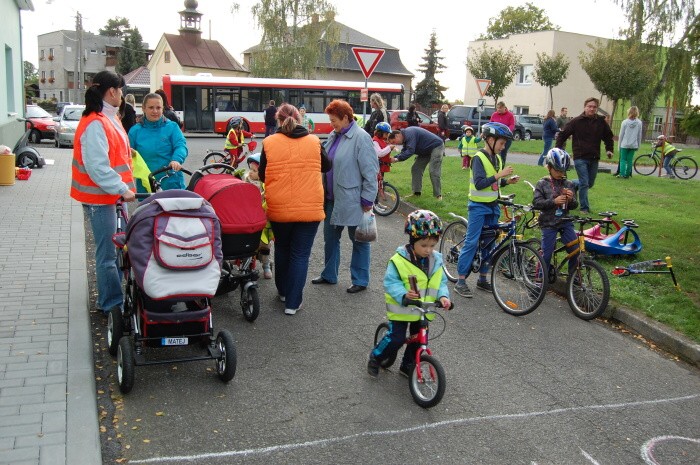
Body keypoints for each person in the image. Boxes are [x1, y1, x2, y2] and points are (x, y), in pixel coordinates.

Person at [70, 70, 136, 316]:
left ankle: (112, 301)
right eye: (120, 90)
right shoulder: (97, 122)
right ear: (112, 91)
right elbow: (97, 166)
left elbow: (113, 156)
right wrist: (122, 189)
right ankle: (111, 306)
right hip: (102, 198)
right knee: (108, 255)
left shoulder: (108, 117)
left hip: (113, 196)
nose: (122, 94)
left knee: (117, 250)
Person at [259, 103, 331, 315]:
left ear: (278, 120)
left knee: (282, 248)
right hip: (310, 207)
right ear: (300, 119)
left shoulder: (269, 142)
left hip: (280, 207)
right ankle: (293, 302)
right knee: (300, 254)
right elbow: (327, 166)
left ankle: (282, 291)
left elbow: (263, 174)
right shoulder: (314, 141)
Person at [367, 210, 452, 377]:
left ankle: (408, 365)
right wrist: (404, 295)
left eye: (432, 245)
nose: (428, 250)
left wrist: (443, 297)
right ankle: (376, 357)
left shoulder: (436, 261)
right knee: (396, 338)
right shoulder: (399, 261)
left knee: (420, 340)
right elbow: (390, 282)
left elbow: (440, 282)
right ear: (413, 241)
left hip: (423, 310)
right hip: (402, 309)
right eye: (424, 245)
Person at [311, 99, 379, 294]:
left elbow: (370, 171)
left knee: (359, 240)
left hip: (353, 200)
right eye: (331, 120)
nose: (332, 124)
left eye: (334, 120)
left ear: (346, 118)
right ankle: (329, 274)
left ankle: (360, 279)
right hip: (333, 198)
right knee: (330, 238)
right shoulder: (335, 135)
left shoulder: (361, 137)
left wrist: (367, 199)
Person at [453, 122, 520, 298]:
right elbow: (481, 183)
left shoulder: (497, 159)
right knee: (472, 242)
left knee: (489, 243)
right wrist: (499, 175)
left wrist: (506, 181)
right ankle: (460, 281)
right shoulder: (478, 158)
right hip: (478, 207)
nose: (503, 146)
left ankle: (482, 278)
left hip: (493, 205)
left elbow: (493, 184)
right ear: (490, 139)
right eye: (501, 143)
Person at [555, 97, 614, 214]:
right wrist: (558, 150)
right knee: (585, 182)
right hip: (580, 157)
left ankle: (571, 184)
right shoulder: (576, 121)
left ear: (597, 109)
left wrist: (609, 150)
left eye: (594, 107)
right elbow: (563, 135)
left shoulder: (601, 122)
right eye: (589, 106)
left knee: (589, 183)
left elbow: (608, 136)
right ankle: (584, 208)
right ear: (585, 107)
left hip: (594, 157)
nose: (591, 109)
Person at [532, 148, 579, 279]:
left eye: (563, 171)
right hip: (548, 223)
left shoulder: (569, 184)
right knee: (546, 254)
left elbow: (575, 205)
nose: (560, 173)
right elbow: (537, 203)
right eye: (557, 170)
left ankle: (573, 280)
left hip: (565, 222)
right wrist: (554, 201)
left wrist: (571, 199)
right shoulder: (542, 183)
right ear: (549, 167)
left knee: (575, 250)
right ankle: (539, 282)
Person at [128, 92, 188, 192]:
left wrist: (177, 160)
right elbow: (128, 154)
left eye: (158, 108)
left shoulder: (172, 127)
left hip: (172, 182)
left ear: (162, 108)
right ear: (143, 108)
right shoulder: (135, 131)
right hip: (147, 185)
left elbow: (181, 145)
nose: (155, 111)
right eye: (151, 107)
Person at [388, 126, 445, 200]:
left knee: (433, 170)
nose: (395, 144)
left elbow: (410, 150)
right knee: (416, 168)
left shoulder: (409, 133)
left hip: (436, 146)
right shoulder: (405, 137)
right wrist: (395, 157)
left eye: (394, 141)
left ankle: (438, 195)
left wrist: (396, 159)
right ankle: (416, 193)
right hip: (425, 150)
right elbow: (404, 151)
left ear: (397, 135)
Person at [244, 154, 273, 279]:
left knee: (264, 246)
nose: (251, 173)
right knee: (247, 243)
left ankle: (266, 265)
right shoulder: (246, 181)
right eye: (250, 169)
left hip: (264, 221)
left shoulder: (266, 185)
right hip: (249, 218)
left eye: (254, 171)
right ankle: (246, 263)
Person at [617, 106, 643, 179]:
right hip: (633, 145)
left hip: (624, 144)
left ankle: (622, 174)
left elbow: (621, 134)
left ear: (629, 112)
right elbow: (639, 135)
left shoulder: (625, 122)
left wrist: (619, 145)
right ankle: (627, 175)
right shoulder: (639, 123)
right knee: (629, 160)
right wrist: (638, 145)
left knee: (623, 160)